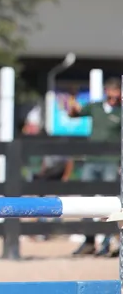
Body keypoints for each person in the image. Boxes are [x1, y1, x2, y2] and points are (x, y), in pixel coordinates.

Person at [67, 77, 121, 257]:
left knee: (111, 204)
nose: (114, 100)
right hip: (92, 159)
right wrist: (72, 104)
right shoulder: (96, 107)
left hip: (111, 161)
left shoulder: (121, 111)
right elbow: (75, 114)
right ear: (107, 92)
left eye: (117, 96)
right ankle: (89, 241)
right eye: (112, 96)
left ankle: (109, 242)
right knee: (86, 202)